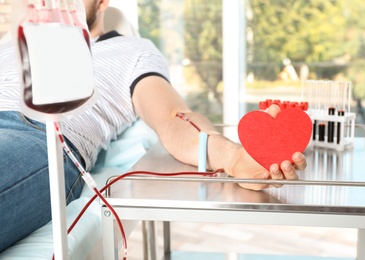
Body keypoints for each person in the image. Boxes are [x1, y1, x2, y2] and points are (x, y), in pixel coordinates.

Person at [0, 0, 307, 252]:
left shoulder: (132, 52)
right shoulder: (10, 45)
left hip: (34, 135)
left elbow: (173, 117)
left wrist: (234, 157)